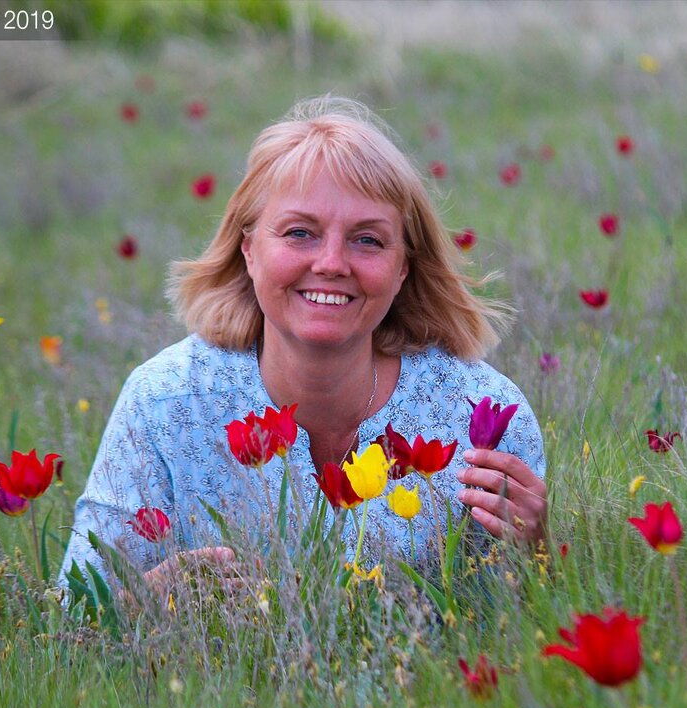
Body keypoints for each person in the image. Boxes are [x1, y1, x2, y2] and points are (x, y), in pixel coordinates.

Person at [58, 96, 546, 599]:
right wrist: (145, 605)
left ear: (404, 267)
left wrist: (533, 552)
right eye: (300, 233)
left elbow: (510, 623)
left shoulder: (480, 417)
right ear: (249, 250)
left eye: (368, 241)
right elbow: (75, 611)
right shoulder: (164, 402)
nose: (332, 262)